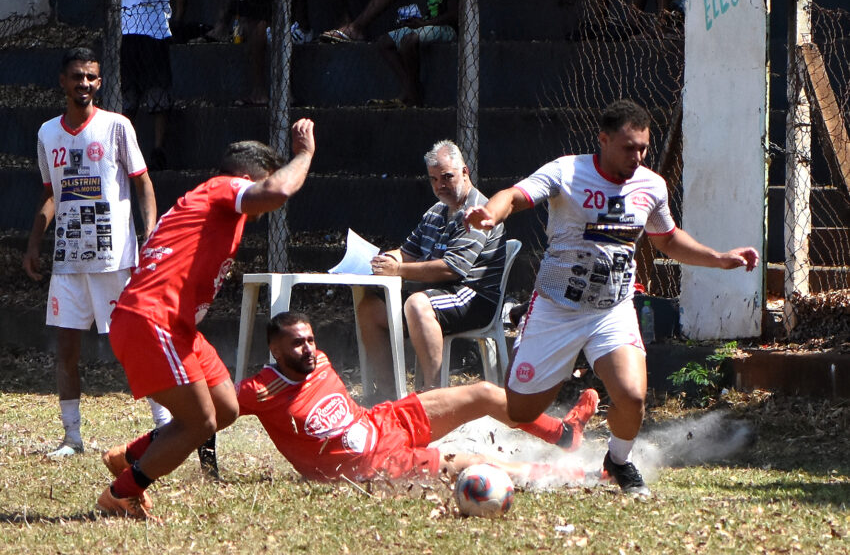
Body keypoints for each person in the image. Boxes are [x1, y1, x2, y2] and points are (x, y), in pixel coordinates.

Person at [464, 99, 760, 495]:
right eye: (628, 147)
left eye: (643, 147)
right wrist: (491, 213)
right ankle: (555, 409)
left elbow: (667, 239)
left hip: (611, 309)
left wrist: (718, 258)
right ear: (602, 140)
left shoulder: (651, 185)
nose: (637, 156)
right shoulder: (567, 171)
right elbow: (514, 195)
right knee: (520, 410)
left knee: (633, 396)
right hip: (557, 307)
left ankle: (618, 461)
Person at [95, 119, 316, 521]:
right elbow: (277, 191)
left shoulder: (213, 210)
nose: (262, 211)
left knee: (225, 407)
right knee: (200, 422)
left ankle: (126, 457)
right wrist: (305, 155)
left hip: (175, 326)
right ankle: (121, 494)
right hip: (151, 319)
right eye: (260, 180)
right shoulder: (223, 188)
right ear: (247, 177)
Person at [236, 312, 598, 483]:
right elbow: (211, 412)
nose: (309, 349)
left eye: (311, 340)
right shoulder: (260, 390)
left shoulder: (320, 362)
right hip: (371, 466)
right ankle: (569, 476)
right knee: (474, 462)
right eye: (297, 344)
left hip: (383, 420)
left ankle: (563, 435)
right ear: (274, 349)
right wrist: (210, 465)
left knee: (484, 393)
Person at [22, 47, 171, 460]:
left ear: (99, 82)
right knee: (66, 349)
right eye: (76, 76)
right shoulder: (47, 134)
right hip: (68, 261)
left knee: (134, 346)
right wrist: (35, 242)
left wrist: (150, 233)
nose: (83, 84)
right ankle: (72, 438)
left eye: (90, 77)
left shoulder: (117, 127)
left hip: (114, 259)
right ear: (62, 82)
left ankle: (165, 425)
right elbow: (51, 193)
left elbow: (142, 183)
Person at [357, 140, 506, 399]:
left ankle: (432, 397)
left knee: (417, 304)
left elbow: (451, 270)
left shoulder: (478, 210)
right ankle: (388, 397)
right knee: (369, 308)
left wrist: (399, 269)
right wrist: (385, 260)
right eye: (434, 179)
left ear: (465, 171)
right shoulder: (436, 212)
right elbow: (407, 251)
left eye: (447, 177)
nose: (440, 186)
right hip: (434, 295)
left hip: (474, 296)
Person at [121, 0, 182, 169]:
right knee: (128, 94)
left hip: (154, 30)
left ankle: (158, 151)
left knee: (158, 90)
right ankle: (125, 151)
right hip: (125, 29)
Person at [370, 0, 458, 108]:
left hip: (447, 28)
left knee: (408, 41)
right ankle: (410, 89)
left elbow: (453, 15)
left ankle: (412, 97)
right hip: (427, 24)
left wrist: (425, 24)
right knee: (384, 42)